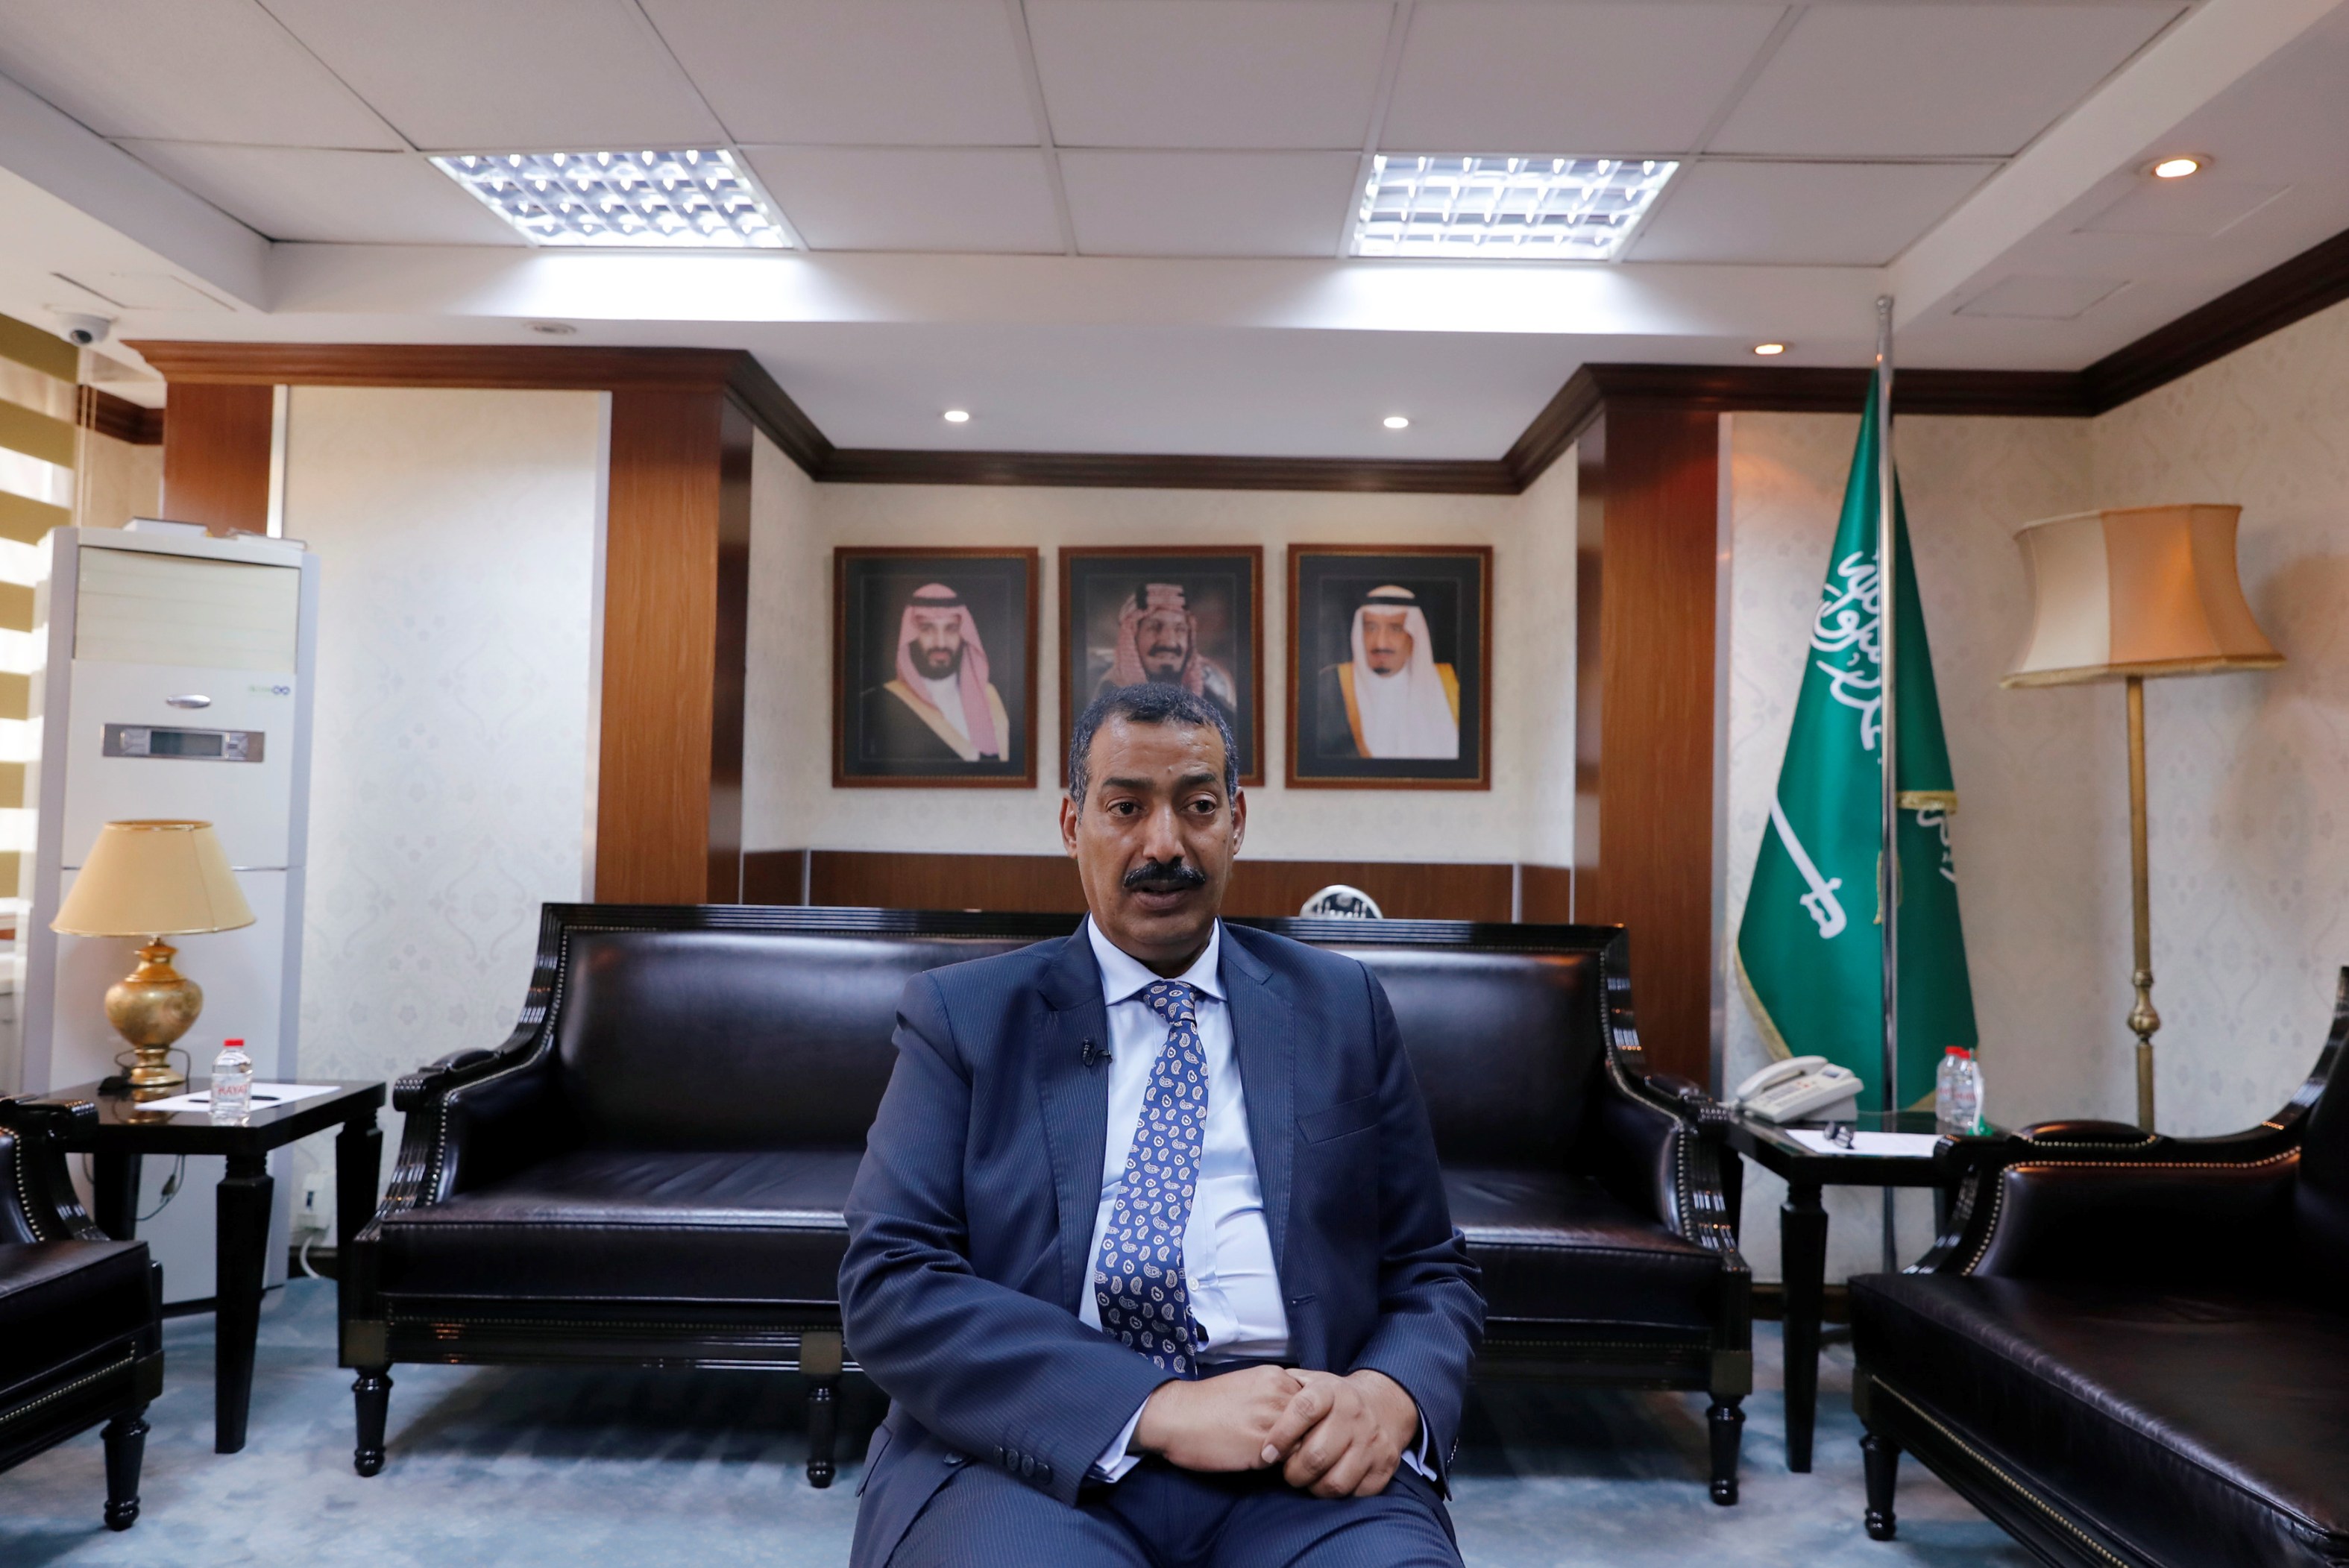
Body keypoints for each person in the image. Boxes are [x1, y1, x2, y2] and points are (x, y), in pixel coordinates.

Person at [841, 682, 1482, 1568]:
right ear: (1072, 825)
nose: (1165, 845)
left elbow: (1429, 1270)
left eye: (1198, 806)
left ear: (1236, 822)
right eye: (1127, 808)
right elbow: (891, 1281)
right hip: (1033, 1455)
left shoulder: (1342, 1007)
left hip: (1297, 1449)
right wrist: (1158, 1407)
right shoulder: (967, 1017)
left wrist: (1386, 1395)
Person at [859, 582, 1012, 763]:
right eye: (927, 629)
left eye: (951, 629)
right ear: (910, 636)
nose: (941, 643)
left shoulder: (998, 699)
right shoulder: (874, 705)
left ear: (964, 635)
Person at [1313, 585, 1459, 761]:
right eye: (1371, 628)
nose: (1381, 643)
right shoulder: (1330, 685)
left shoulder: (1451, 686)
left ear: (1413, 638)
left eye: (1395, 629)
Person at [1095, 581, 1241, 734]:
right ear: (1133, 637)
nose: (1169, 642)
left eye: (1180, 629)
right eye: (1154, 627)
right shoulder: (1106, 698)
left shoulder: (1209, 700)